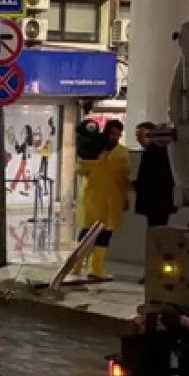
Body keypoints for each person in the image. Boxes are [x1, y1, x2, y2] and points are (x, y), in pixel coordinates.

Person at [75, 120, 131, 280]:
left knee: (105, 234)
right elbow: (80, 169)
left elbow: (124, 178)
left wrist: (125, 198)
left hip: (113, 200)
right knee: (86, 233)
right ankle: (75, 265)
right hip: (93, 199)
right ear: (105, 133)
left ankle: (96, 268)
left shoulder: (123, 153)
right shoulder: (93, 149)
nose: (115, 137)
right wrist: (91, 158)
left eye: (118, 134)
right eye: (112, 133)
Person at [134, 122, 176, 228]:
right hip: (161, 202)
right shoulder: (164, 152)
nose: (138, 139)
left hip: (155, 202)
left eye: (141, 135)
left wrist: (136, 185)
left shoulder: (152, 153)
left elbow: (149, 178)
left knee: (156, 228)